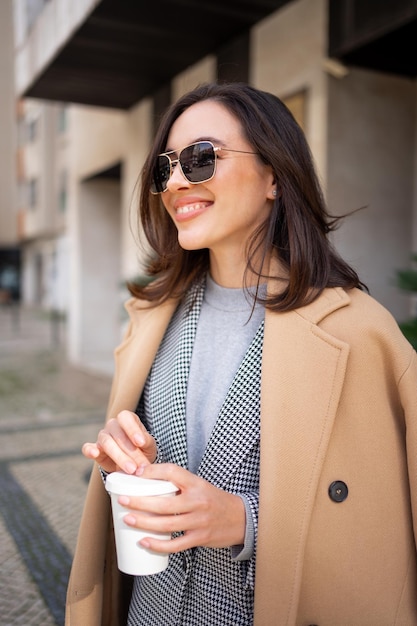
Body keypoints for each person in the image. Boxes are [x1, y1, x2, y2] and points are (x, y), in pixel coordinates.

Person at [65, 82, 417, 626]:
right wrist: (122, 465)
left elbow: (384, 527)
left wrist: (245, 522)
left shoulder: (360, 333)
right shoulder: (150, 317)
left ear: (275, 175)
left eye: (201, 158)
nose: (177, 181)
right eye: (165, 168)